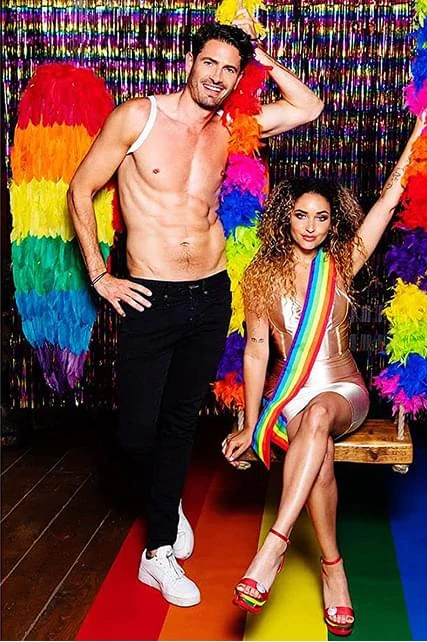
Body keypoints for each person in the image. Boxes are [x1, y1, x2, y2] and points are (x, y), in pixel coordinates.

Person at [68, 9, 323, 608]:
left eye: (230, 69)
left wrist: (262, 59)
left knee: (182, 420)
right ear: (189, 62)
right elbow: (80, 188)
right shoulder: (139, 117)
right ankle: (167, 498)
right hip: (149, 294)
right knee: (136, 430)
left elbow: (308, 107)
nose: (217, 76)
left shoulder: (233, 128)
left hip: (210, 293)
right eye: (209, 62)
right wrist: (100, 275)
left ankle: (157, 552)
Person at [222, 116, 425, 634]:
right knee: (319, 456)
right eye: (300, 215)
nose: (310, 226)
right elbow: (256, 352)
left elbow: (387, 201)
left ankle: (275, 545)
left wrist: (417, 137)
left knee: (318, 417)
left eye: (321, 217)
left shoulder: (343, 262)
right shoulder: (259, 274)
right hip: (289, 398)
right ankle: (334, 568)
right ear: (285, 219)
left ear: (333, 223)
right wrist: (251, 422)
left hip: (343, 391)